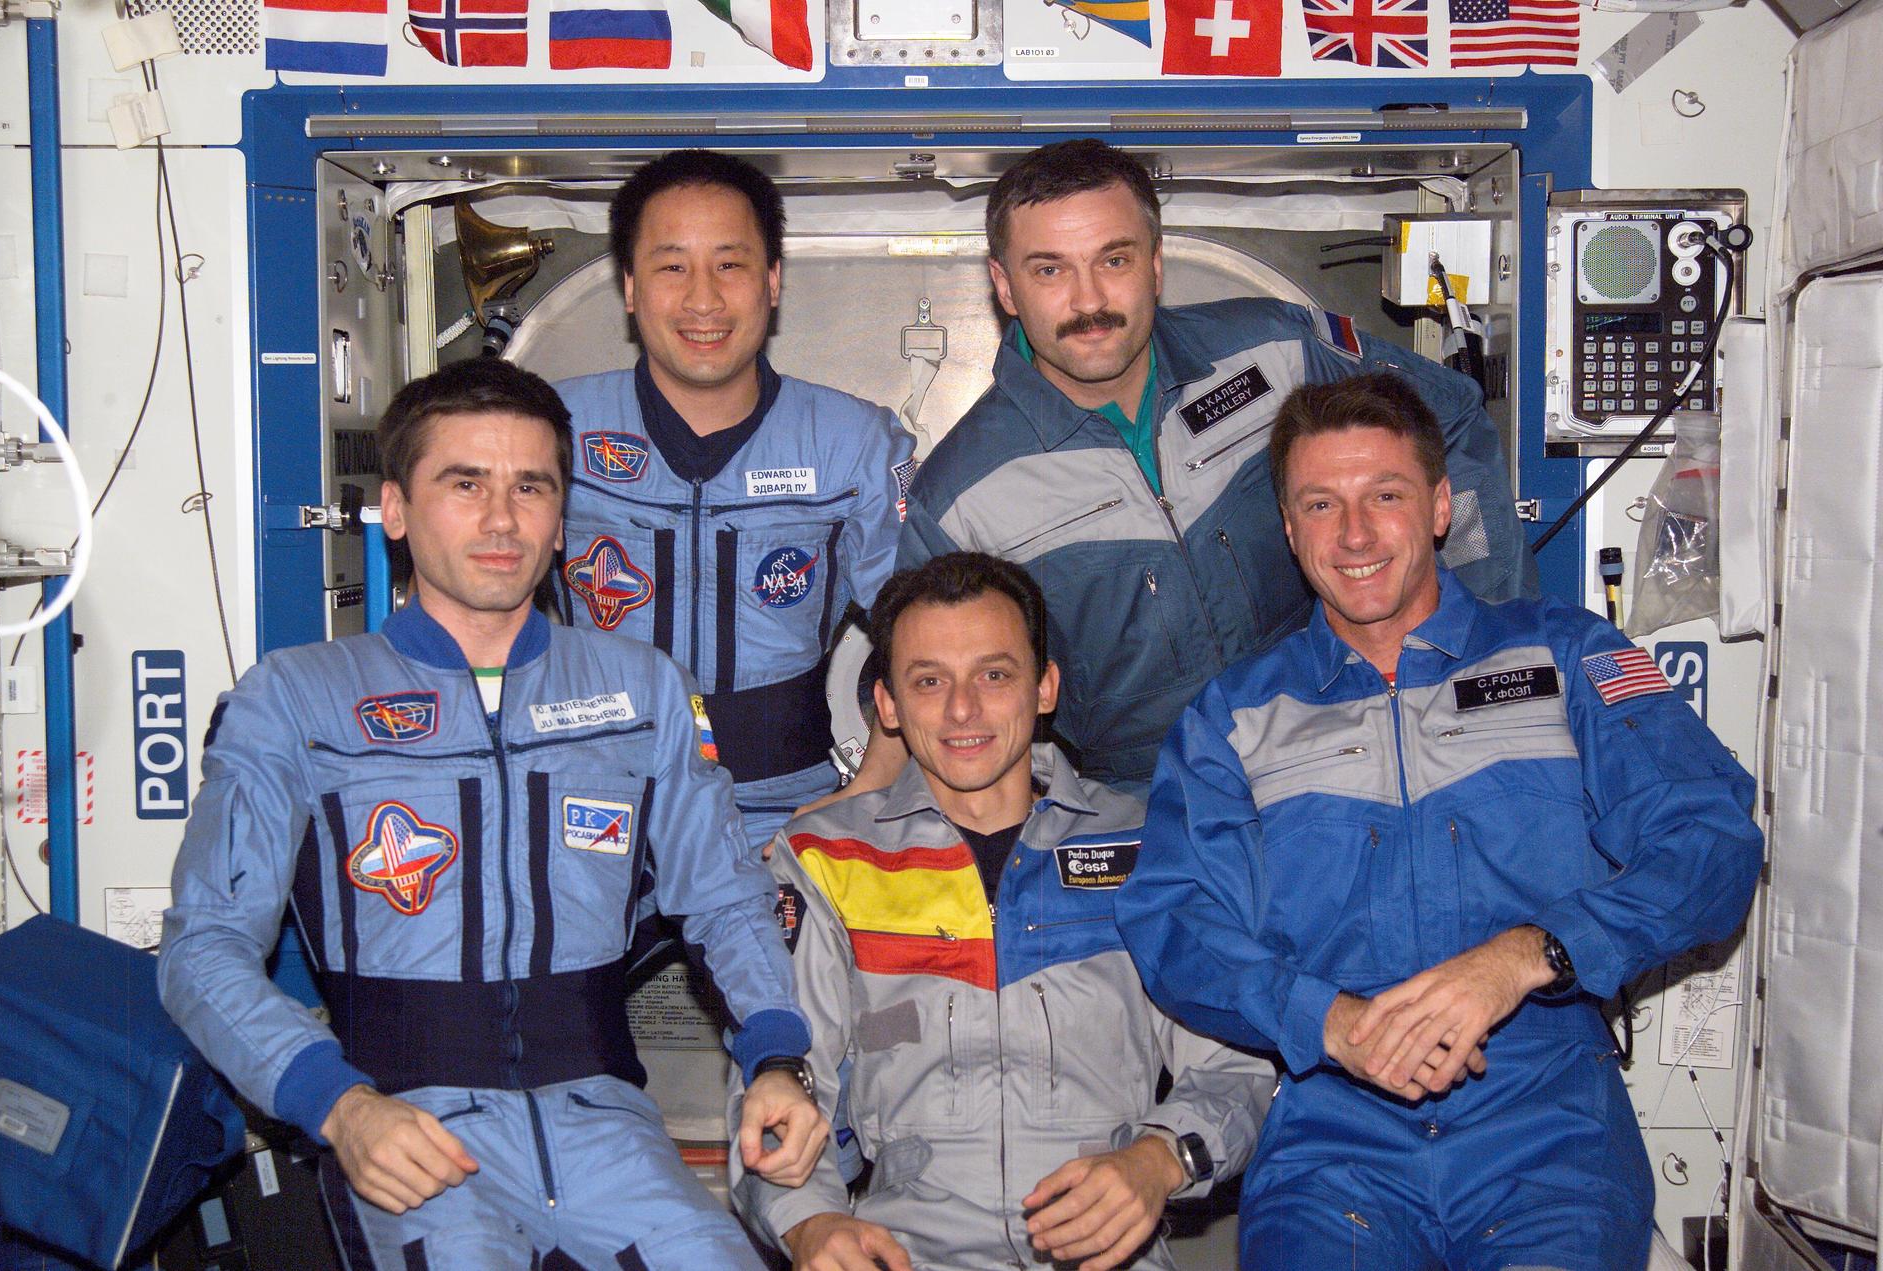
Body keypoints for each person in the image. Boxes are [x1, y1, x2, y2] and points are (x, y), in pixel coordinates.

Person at [159, 358, 827, 1269]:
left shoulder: (644, 691)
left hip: (607, 1128)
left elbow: (723, 895)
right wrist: (339, 1105)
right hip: (409, 1131)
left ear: (562, 516)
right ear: (396, 510)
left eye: (531, 487)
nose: (503, 519)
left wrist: (778, 1055)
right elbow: (201, 947)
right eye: (465, 484)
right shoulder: (296, 700)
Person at [1117, 373, 1763, 1270]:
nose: (1354, 534)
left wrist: (1527, 954)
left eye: (1385, 495)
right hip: (1334, 1140)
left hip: (1548, 1131)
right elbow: (1175, 919)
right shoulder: (1232, 719)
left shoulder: (1564, 655)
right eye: (1321, 504)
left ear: (1441, 507)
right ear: (1291, 529)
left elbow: (1711, 838)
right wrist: (1328, 1021)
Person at [898, 138, 1537, 793]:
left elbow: (1448, 418)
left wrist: (1479, 646)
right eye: (1049, 270)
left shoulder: (1277, 353)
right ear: (1005, 285)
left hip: (1356, 754)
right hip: (1149, 802)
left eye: (1114, 259)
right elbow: (937, 702)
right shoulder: (958, 503)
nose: (1089, 301)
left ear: (1155, 265)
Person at [734, 552, 1276, 1271]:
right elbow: (777, 1085)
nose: (963, 710)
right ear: (887, 705)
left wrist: (1159, 1158)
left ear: (1045, 687)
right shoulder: (826, 861)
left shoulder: (1147, 846)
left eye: (994, 675)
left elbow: (1238, 1066)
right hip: (902, 1255)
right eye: (929, 680)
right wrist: (810, 1224)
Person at [553, 149, 915, 843]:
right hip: (591, 808)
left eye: (729, 264)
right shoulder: (549, 430)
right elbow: (465, 603)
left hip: (786, 814)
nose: (703, 300)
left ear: (772, 281)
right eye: (672, 267)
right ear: (629, 287)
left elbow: (934, 635)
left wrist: (866, 791)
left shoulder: (854, 445)